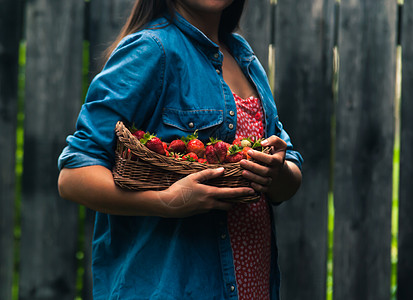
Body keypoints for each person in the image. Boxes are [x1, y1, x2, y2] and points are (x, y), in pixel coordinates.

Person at [57, 0, 303, 299]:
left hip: (253, 286)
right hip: (171, 287)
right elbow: (74, 176)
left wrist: (277, 171)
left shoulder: (244, 57)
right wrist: (167, 202)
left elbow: (287, 176)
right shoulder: (152, 49)